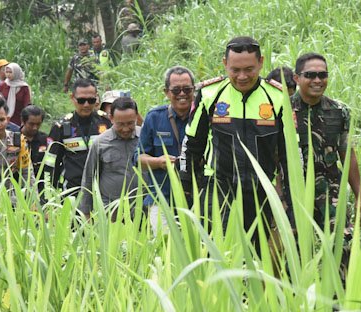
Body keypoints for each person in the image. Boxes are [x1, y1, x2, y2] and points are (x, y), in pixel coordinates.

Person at [180, 36, 289, 249]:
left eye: (249, 69)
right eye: (235, 70)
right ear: (224, 64)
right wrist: (187, 191)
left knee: (258, 260)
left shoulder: (278, 97)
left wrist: (289, 196)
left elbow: (290, 154)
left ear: (261, 62)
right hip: (218, 189)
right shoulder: (209, 93)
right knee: (219, 257)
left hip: (261, 191)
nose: (242, 76)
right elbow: (191, 146)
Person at [291, 53, 361, 226]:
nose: (317, 80)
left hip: (330, 191)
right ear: (297, 78)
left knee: (342, 247)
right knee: (296, 249)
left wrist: (359, 196)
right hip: (294, 191)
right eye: (310, 75)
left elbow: (347, 155)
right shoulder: (283, 110)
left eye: (322, 75)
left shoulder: (338, 111)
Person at [136, 66, 195, 233]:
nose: (182, 94)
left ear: (194, 90)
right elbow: (138, 159)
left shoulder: (204, 115)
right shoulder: (155, 117)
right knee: (164, 248)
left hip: (197, 199)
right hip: (162, 198)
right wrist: (159, 162)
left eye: (187, 89)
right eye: (176, 90)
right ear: (166, 92)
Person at [44, 79, 112, 197]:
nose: (86, 105)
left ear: (96, 98)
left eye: (91, 100)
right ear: (72, 98)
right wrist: (47, 198)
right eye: (81, 100)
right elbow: (50, 165)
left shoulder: (107, 123)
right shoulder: (61, 127)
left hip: (103, 191)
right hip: (72, 192)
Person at [79, 97, 141, 220]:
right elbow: (89, 178)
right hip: (111, 211)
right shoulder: (100, 143)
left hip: (142, 210)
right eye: (120, 124)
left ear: (136, 118)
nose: (125, 129)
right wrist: (86, 212)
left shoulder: (145, 138)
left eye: (130, 123)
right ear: (111, 118)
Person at [20, 105, 48, 198]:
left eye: (38, 124)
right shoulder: (14, 139)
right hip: (19, 187)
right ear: (23, 121)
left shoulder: (45, 139)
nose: (35, 128)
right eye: (31, 124)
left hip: (41, 187)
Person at [0, 62, 31, 126]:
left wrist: (24, 120)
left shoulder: (24, 87)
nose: (8, 74)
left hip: (19, 118)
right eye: (7, 72)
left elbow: (26, 104)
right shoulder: (3, 85)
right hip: (4, 116)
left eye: (10, 72)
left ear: (16, 72)